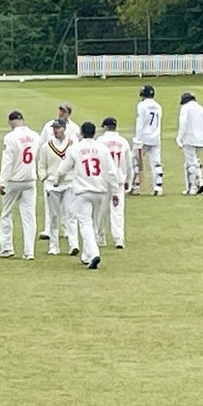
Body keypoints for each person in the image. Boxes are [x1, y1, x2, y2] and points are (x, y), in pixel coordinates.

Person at [53, 120, 118, 269]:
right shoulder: (102, 149)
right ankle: (87, 255)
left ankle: (94, 254)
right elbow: (112, 172)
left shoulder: (75, 149)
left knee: (85, 224)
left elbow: (63, 169)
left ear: (81, 133)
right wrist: (114, 191)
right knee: (94, 224)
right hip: (100, 190)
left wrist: (57, 181)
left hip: (83, 191)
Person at [0, 110, 41, 259]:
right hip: (30, 179)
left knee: (6, 214)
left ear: (11, 122)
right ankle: (29, 252)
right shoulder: (35, 136)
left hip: (13, 181)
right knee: (29, 216)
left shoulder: (10, 137)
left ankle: (7, 247)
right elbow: (38, 157)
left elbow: (7, 162)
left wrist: (2, 182)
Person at [38, 102, 80, 240]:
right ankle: (48, 229)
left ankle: (66, 230)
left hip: (68, 172)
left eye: (64, 111)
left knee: (68, 206)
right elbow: (42, 144)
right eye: (60, 110)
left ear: (69, 113)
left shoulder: (74, 128)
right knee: (51, 205)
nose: (61, 113)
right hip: (51, 166)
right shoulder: (48, 125)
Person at [97, 116, 134, 249]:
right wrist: (129, 180)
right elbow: (129, 164)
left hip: (104, 181)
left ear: (105, 127)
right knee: (117, 210)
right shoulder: (123, 142)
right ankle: (119, 239)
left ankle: (100, 237)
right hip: (118, 180)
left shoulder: (100, 141)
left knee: (101, 211)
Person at [176, 91, 203, 195]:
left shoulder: (185, 108)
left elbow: (183, 124)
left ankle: (196, 185)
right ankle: (192, 185)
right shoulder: (201, 108)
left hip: (189, 139)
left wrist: (179, 138)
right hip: (201, 140)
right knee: (194, 162)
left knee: (191, 163)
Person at [132, 83, 164, 196]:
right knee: (156, 163)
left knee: (135, 160)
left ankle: (135, 186)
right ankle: (158, 187)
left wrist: (137, 137)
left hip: (144, 137)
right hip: (155, 137)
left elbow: (140, 122)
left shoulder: (142, 105)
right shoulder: (158, 106)